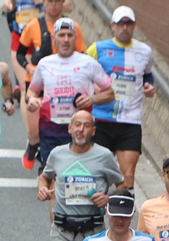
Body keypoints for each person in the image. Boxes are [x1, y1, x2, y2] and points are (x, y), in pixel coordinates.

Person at [37, 109, 120, 241]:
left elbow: (122, 185)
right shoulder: (58, 154)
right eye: (77, 125)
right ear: (70, 128)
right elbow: (45, 176)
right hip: (63, 231)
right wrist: (42, 188)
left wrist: (108, 198)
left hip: (93, 232)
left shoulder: (104, 156)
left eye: (86, 125)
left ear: (93, 131)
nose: (81, 129)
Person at [24, 17, 108, 169]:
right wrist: (31, 100)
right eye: (61, 35)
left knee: (76, 174)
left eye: (70, 35)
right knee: (49, 175)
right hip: (50, 130)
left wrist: (92, 99)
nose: (66, 40)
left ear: (76, 37)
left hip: (80, 131)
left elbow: (110, 93)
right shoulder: (44, 64)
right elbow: (32, 90)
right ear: (53, 38)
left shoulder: (88, 63)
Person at [86, 6, 153, 191]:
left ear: (134, 25)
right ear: (112, 26)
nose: (125, 28)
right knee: (98, 173)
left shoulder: (145, 51)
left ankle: (122, 217)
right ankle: (96, 214)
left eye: (129, 23)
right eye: (121, 23)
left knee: (128, 175)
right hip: (102, 119)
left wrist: (149, 85)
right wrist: (94, 88)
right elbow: (82, 70)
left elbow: (147, 75)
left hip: (130, 120)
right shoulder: (97, 48)